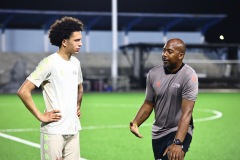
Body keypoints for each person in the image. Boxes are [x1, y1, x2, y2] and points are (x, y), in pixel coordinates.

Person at [17, 16, 84, 160]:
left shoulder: (76, 63)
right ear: (64, 42)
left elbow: (80, 88)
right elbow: (23, 91)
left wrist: (77, 106)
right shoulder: (49, 63)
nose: (81, 43)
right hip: (54, 131)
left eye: (81, 40)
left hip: (73, 129)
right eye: (77, 40)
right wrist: (40, 116)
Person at [130, 38, 198, 160]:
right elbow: (149, 103)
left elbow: (187, 112)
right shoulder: (153, 74)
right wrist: (136, 123)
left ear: (180, 55)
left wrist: (178, 142)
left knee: (174, 157)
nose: (164, 54)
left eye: (169, 51)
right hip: (159, 132)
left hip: (179, 129)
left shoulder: (189, 76)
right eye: (163, 50)